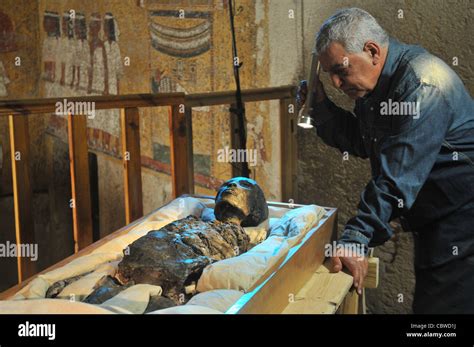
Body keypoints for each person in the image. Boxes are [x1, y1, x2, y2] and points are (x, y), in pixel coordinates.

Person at [297, 8, 474, 313]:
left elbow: (395, 178)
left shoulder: (423, 85)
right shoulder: (378, 85)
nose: (337, 83)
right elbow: (365, 142)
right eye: (330, 75)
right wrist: (322, 107)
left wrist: (355, 238)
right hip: (437, 217)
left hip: (462, 220)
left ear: (372, 51)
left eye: (340, 70)